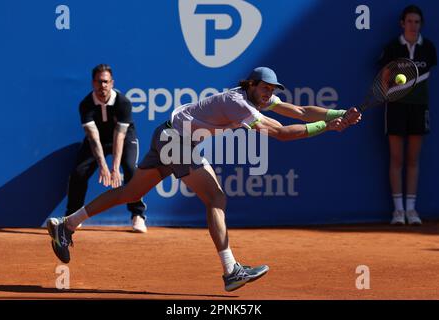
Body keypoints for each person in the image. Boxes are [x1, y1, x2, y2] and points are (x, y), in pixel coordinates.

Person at [47, 67, 361, 292]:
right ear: (251, 85)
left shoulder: (256, 97)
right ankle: (231, 271)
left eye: (272, 90)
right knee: (216, 199)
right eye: (265, 88)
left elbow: (302, 110)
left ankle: (67, 224)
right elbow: (280, 134)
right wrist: (328, 128)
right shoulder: (238, 103)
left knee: (130, 193)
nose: (269, 94)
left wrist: (338, 114)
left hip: (170, 135)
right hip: (177, 141)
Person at [65, 64, 148, 232]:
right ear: (92, 83)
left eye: (106, 82)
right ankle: (73, 215)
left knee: (131, 170)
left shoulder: (123, 102)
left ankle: (137, 215)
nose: (102, 86)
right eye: (98, 82)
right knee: (79, 173)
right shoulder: (86, 104)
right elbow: (93, 138)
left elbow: (120, 136)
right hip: (99, 140)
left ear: (112, 83)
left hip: (125, 139)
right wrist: (103, 166)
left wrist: (115, 167)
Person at [379, 5, 437, 225]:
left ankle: (412, 210)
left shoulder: (428, 48)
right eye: (410, 21)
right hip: (396, 108)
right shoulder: (393, 48)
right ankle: (398, 211)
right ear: (402, 24)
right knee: (397, 159)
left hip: (419, 108)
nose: (414, 25)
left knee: (413, 159)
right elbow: (385, 77)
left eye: (417, 22)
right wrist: (388, 96)